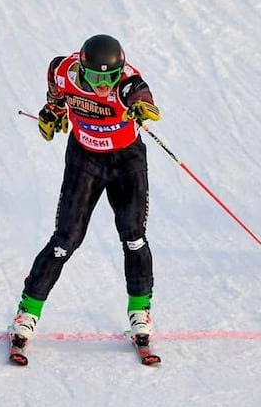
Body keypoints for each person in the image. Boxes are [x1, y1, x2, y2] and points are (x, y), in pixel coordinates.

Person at [8, 34, 162, 350]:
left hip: (125, 162)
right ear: (82, 67)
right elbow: (54, 77)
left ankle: (139, 311)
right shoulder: (65, 71)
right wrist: (53, 110)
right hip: (85, 159)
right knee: (65, 240)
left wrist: (142, 108)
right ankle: (28, 312)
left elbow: (141, 95)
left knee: (134, 236)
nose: (104, 85)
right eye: (96, 77)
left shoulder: (127, 81)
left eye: (110, 77)